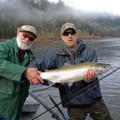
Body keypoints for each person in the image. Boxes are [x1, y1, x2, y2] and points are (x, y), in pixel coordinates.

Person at [28, 23, 113, 120]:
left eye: (72, 33)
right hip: (73, 104)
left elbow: (90, 79)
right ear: (61, 37)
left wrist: (88, 80)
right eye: (66, 33)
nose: (70, 36)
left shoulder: (90, 51)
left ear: (76, 34)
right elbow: (34, 65)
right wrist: (30, 73)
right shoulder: (53, 55)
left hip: (95, 100)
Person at [0, 25, 43, 120]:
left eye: (31, 38)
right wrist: (25, 72)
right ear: (18, 33)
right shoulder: (4, 47)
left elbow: (40, 74)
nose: (27, 39)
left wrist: (59, 80)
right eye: (25, 35)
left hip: (18, 107)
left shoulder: (32, 58)